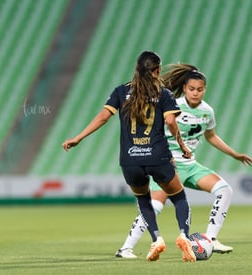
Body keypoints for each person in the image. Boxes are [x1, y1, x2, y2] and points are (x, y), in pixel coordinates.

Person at [62, 51, 196, 262]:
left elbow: (103, 117)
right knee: (179, 197)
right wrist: (182, 145)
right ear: (157, 70)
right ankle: (183, 236)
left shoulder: (121, 91)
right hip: (158, 157)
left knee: (143, 200)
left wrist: (78, 137)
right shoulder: (163, 93)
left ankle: (157, 239)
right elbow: (171, 122)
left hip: (130, 159)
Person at [115, 64, 252, 259]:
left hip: (190, 165)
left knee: (224, 190)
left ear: (204, 89)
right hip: (166, 164)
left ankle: (211, 240)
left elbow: (211, 136)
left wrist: (235, 154)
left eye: (199, 89)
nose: (195, 93)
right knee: (155, 205)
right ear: (184, 88)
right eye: (191, 89)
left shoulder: (207, 111)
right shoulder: (172, 105)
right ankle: (126, 248)